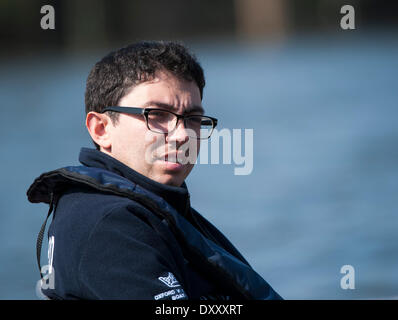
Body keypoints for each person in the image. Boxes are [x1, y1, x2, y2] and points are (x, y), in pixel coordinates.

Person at [27, 41, 282, 300]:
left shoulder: (159, 207)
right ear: (101, 129)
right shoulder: (109, 224)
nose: (182, 135)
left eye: (193, 118)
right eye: (157, 114)